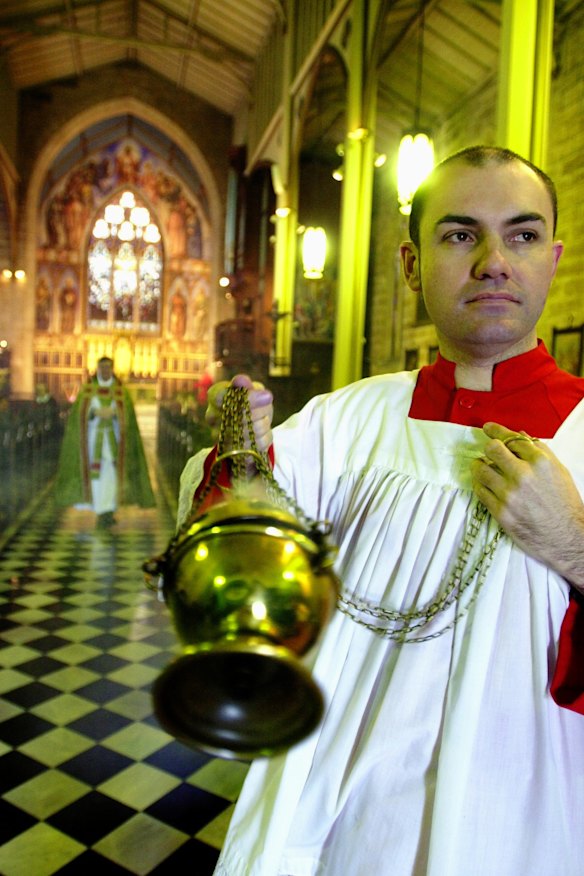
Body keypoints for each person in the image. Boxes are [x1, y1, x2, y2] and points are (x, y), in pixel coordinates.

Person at [178, 146, 584, 876]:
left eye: (521, 236)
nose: (494, 260)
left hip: (514, 824)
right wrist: (244, 455)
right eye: (460, 234)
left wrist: (575, 544)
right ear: (409, 263)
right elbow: (234, 547)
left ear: (553, 258)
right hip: (335, 817)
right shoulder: (348, 420)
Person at [55, 356, 155, 527]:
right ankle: (101, 511)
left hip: (114, 441)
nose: (105, 371)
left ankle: (108, 511)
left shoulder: (120, 391)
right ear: (97, 369)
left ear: (112, 369)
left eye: (108, 368)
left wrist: (115, 414)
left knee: (111, 476)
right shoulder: (88, 390)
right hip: (93, 443)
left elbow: (128, 416)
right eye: (102, 368)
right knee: (96, 476)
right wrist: (93, 414)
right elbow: (78, 415)